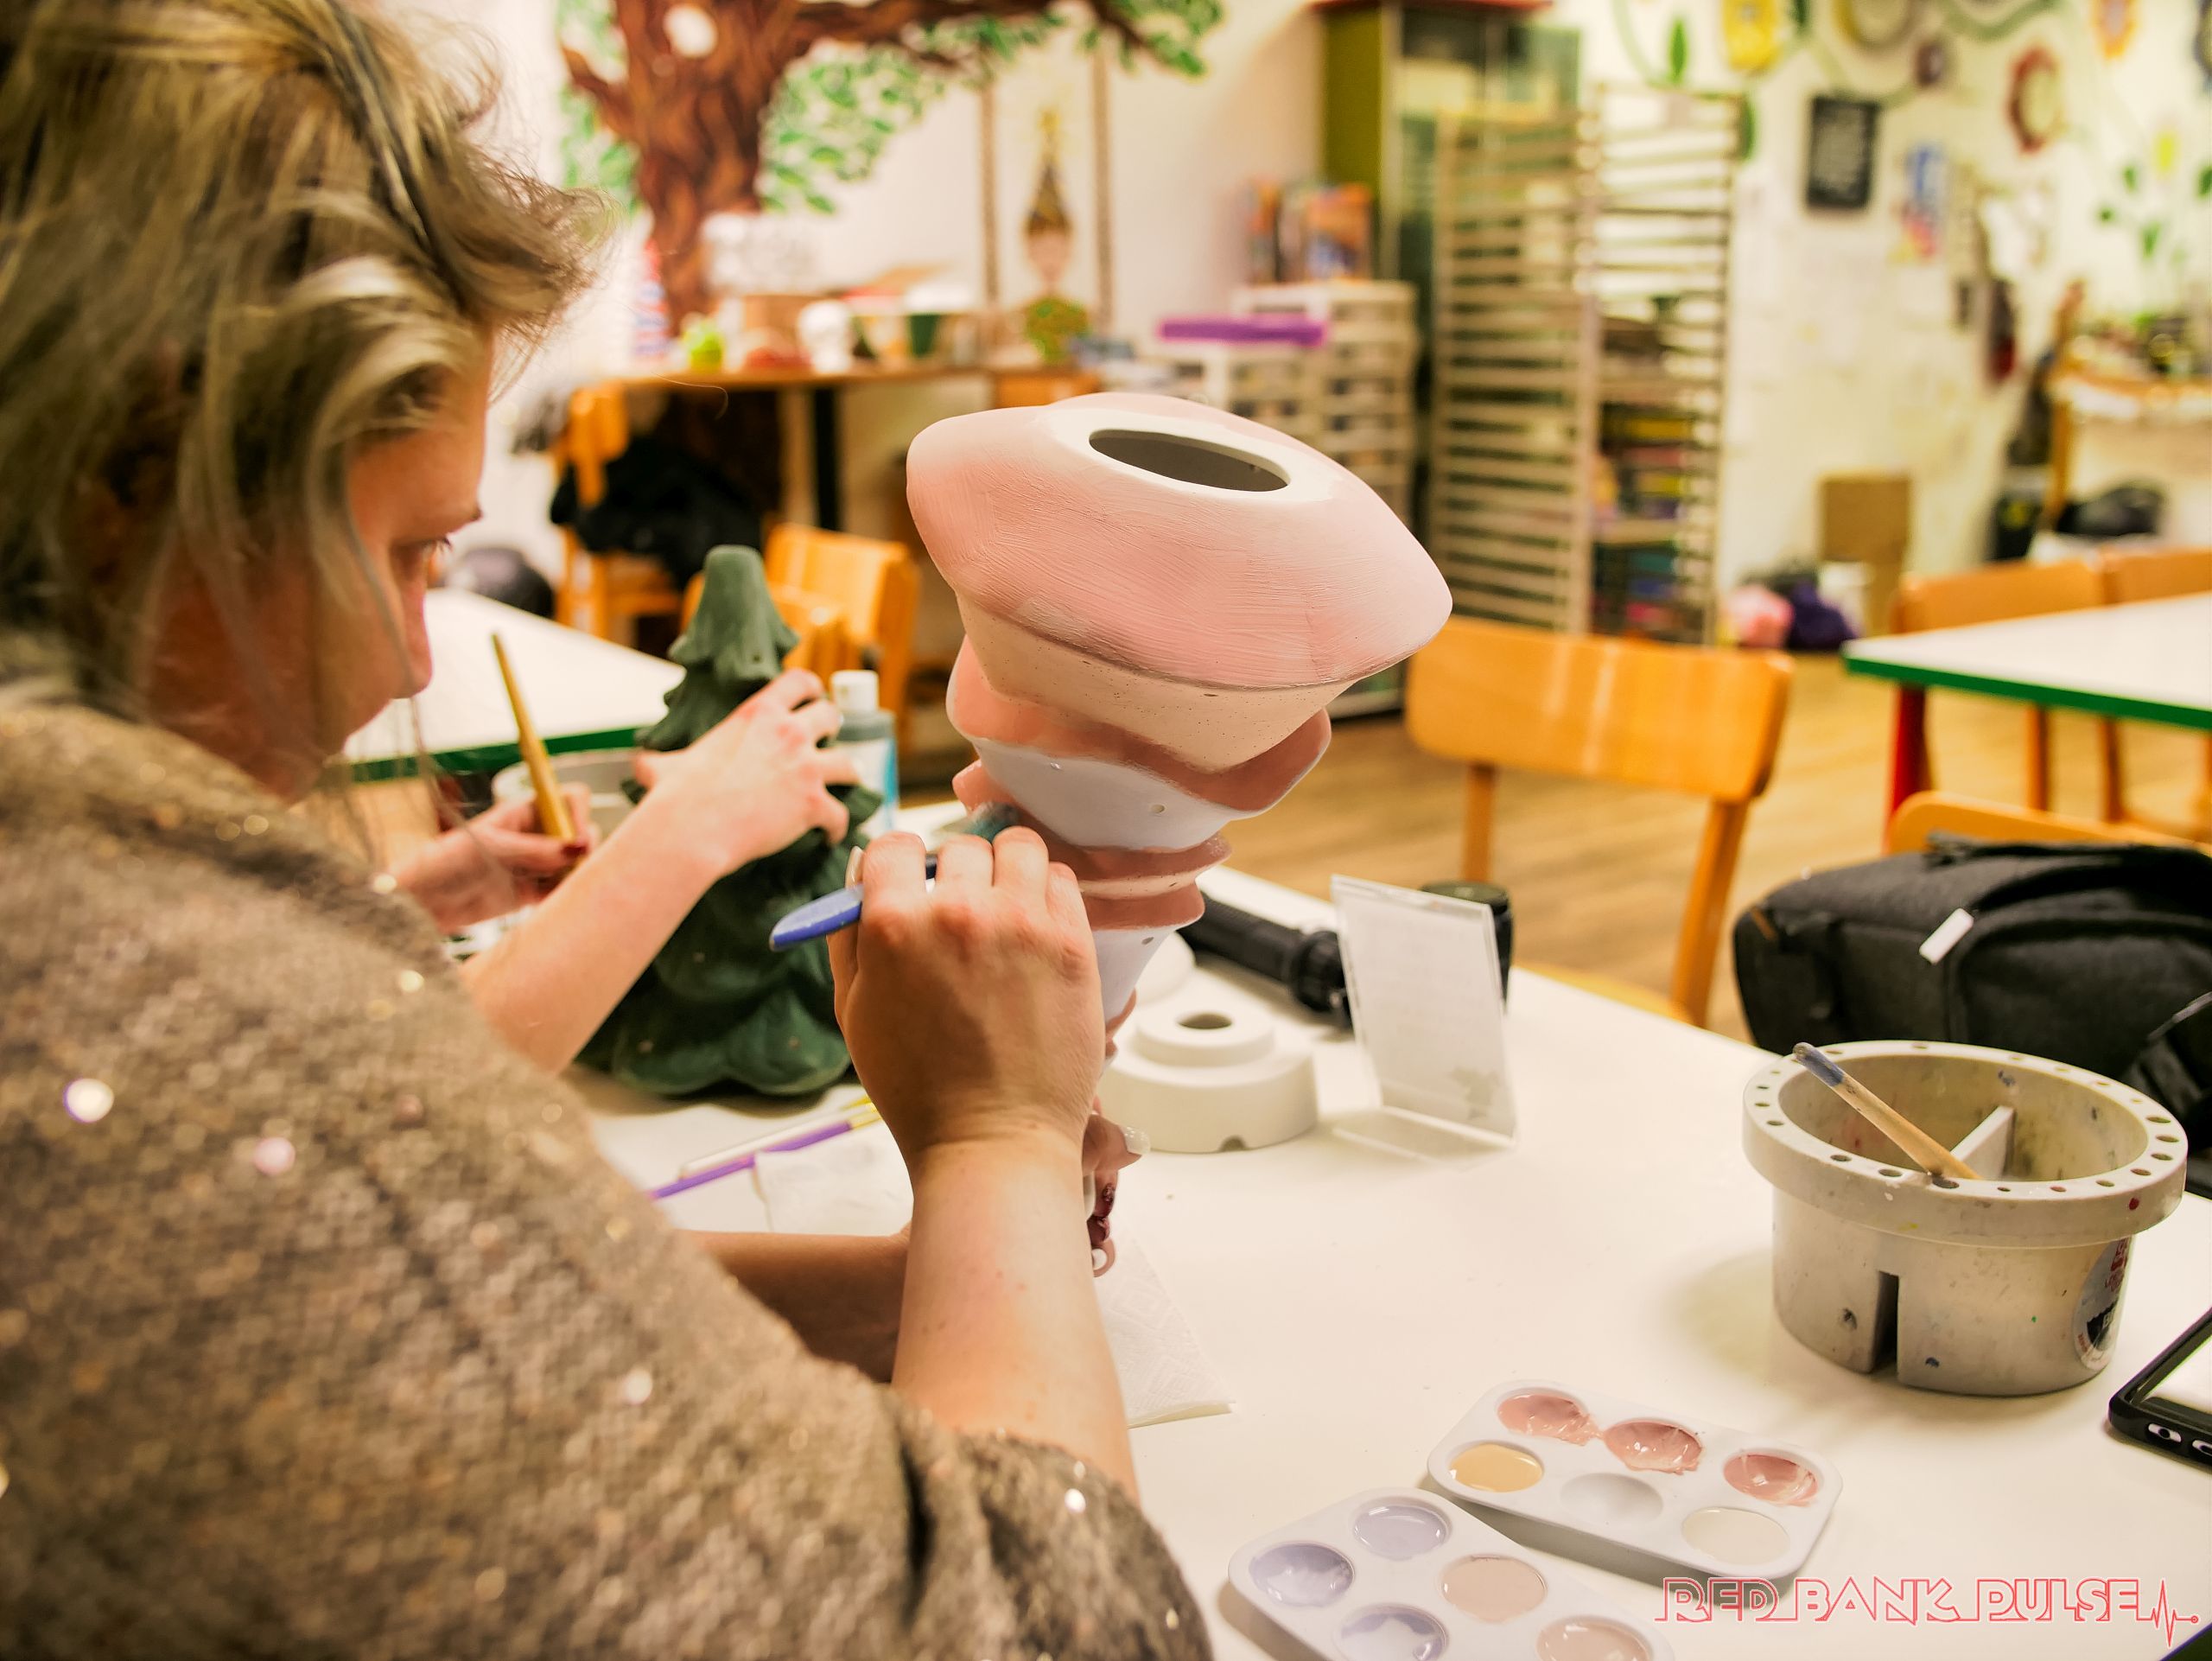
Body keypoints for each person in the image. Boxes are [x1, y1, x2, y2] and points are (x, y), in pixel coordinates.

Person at [0, 2, 1202, 1656]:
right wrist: (997, 1138)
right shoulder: (177, 1044)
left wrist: (935, 1279)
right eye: (408, 552)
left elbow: (471, 1305)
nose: (412, 660)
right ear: (143, 488)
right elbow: (1069, 1625)